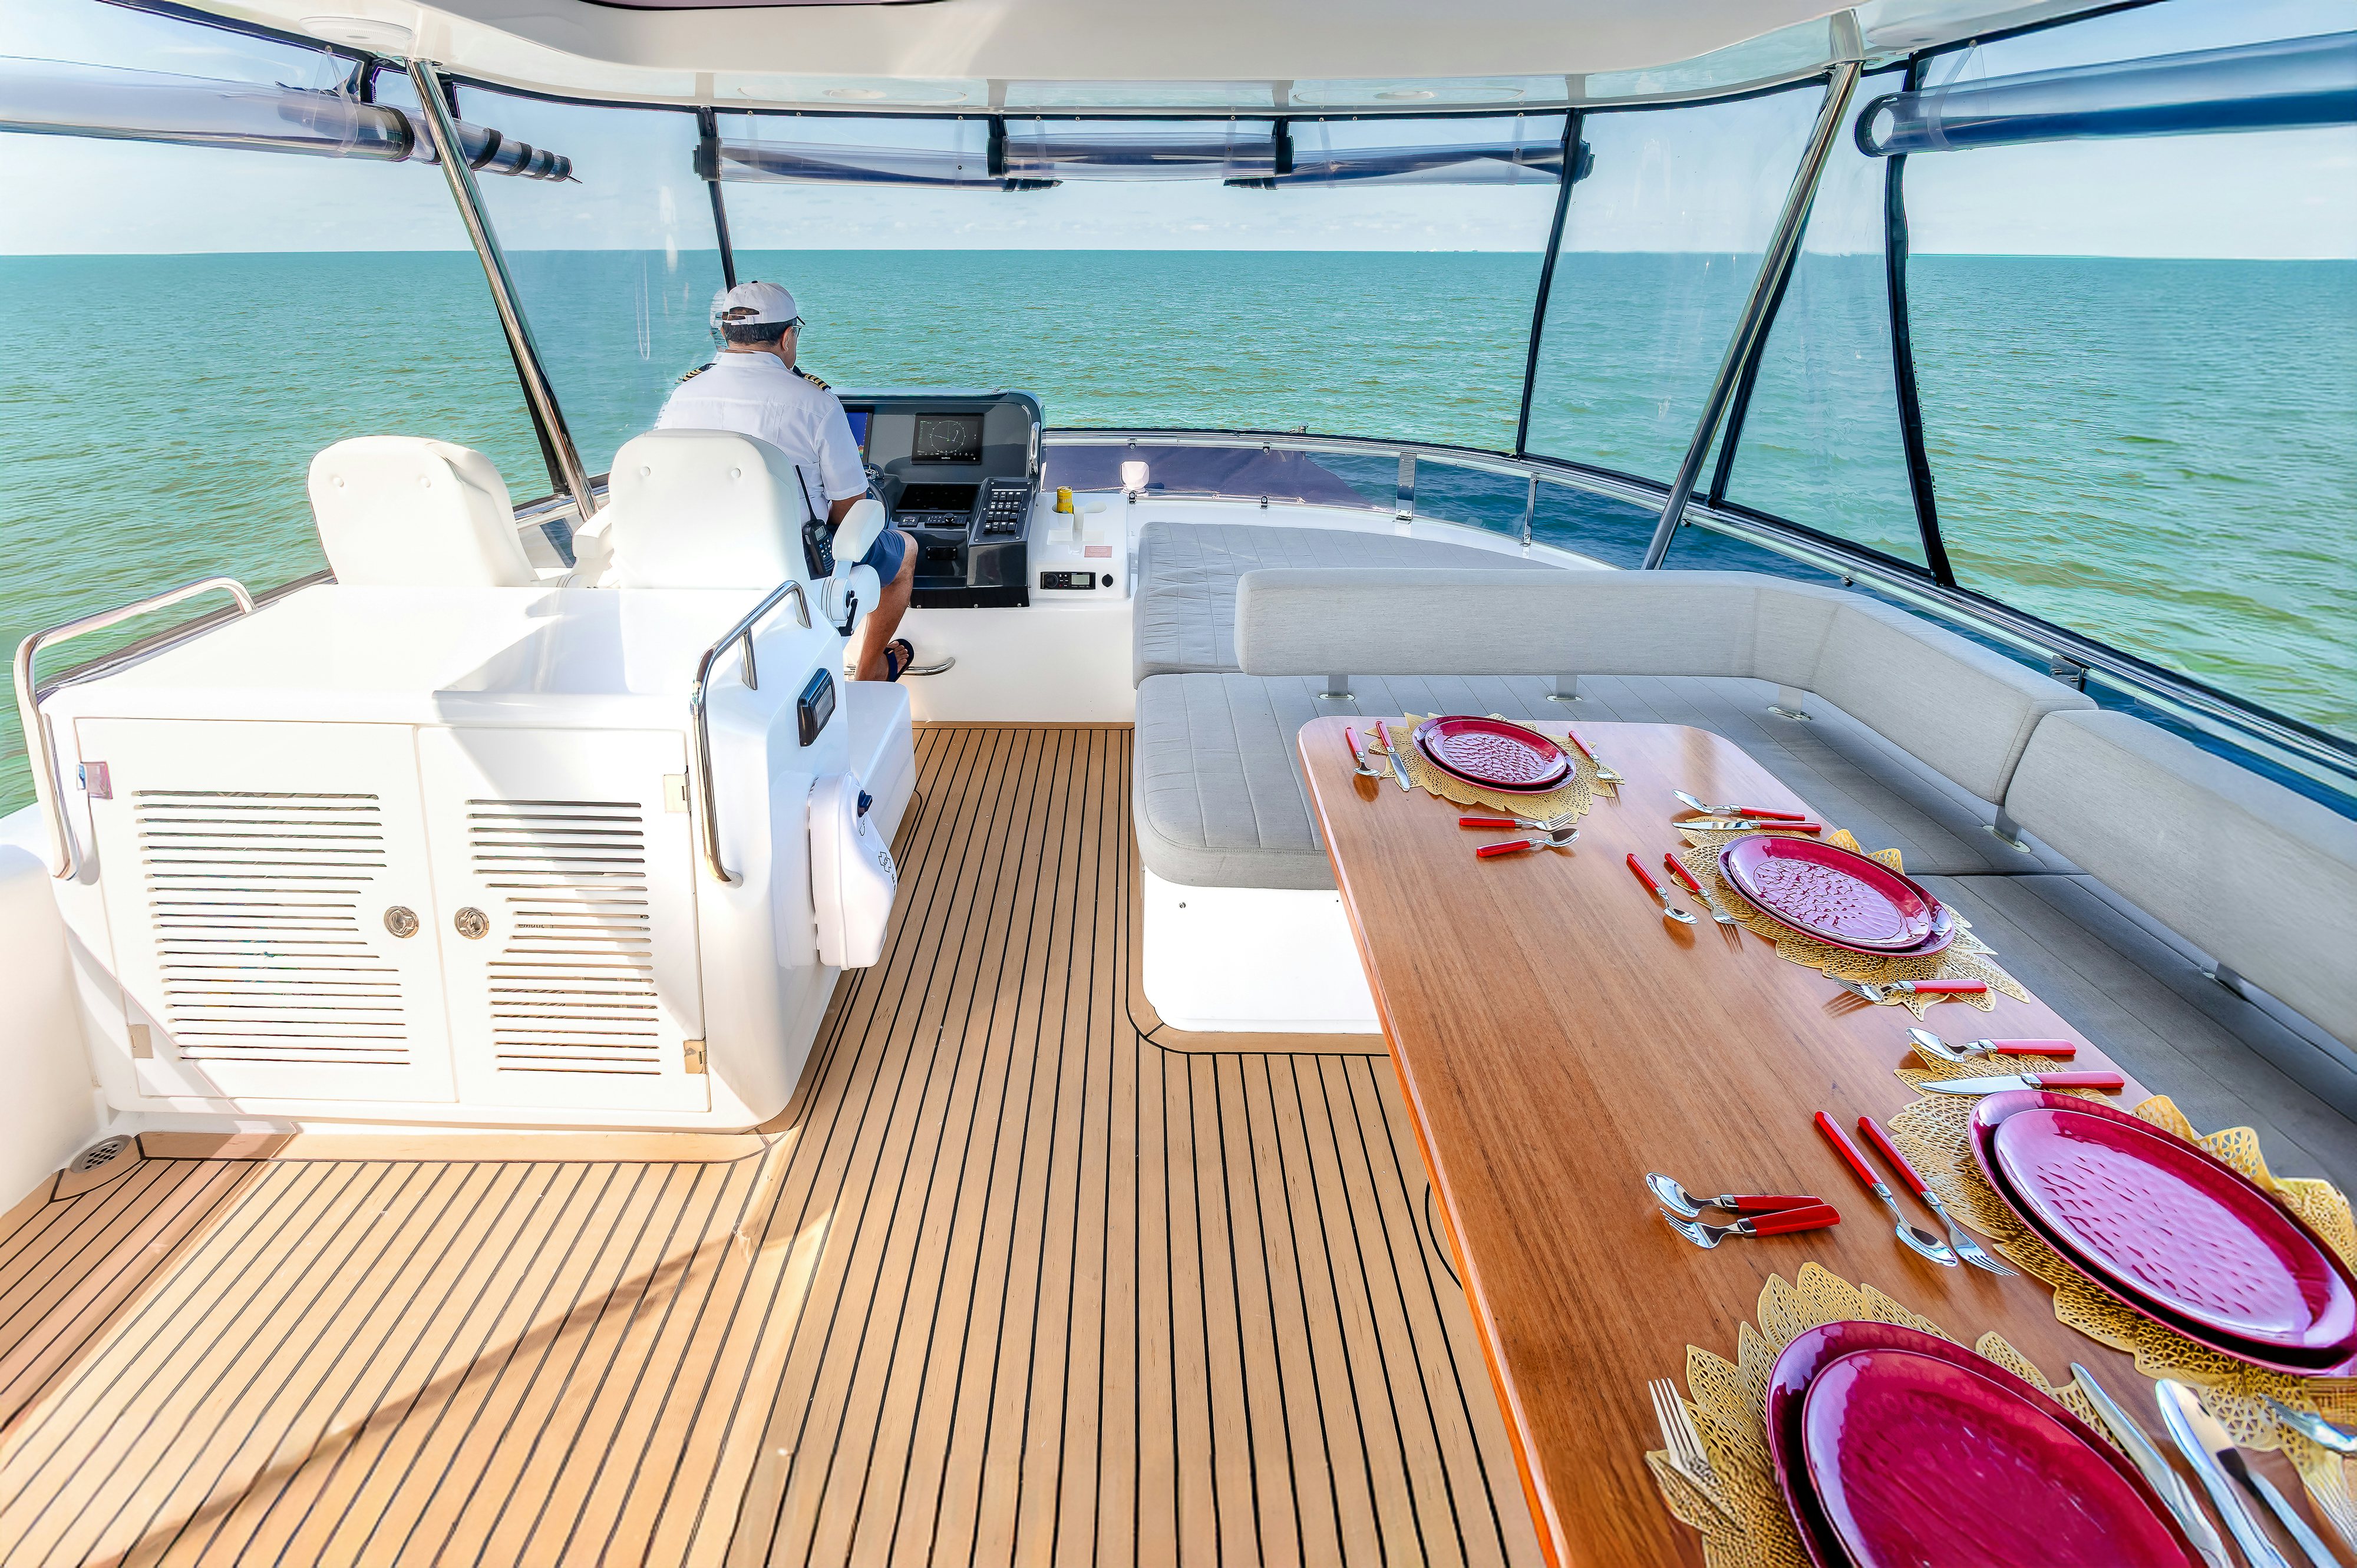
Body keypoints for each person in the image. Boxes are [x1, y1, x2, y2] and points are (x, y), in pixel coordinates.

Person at [657, 280, 918, 682]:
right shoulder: (815, 403)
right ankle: (868, 670)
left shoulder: (682, 397)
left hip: (707, 559)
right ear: (786, 338)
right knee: (905, 551)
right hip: (797, 564)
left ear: (726, 335)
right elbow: (850, 508)